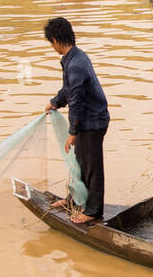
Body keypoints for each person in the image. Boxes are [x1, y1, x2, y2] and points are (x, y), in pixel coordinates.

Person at [43, 17, 110, 224]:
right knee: (79, 164)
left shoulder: (75, 64)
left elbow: (77, 100)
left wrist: (72, 132)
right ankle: (74, 199)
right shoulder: (74, 57)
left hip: (92, 121)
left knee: (92, 168)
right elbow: (68, 90)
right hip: (87, 119)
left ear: (55, 39)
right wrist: (55, 102)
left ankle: (93, 211)